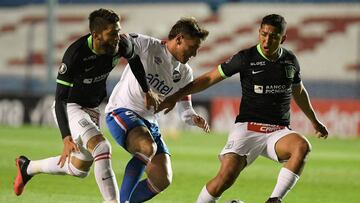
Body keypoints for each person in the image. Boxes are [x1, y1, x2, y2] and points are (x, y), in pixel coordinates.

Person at [156, 14, 329, 203]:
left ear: (283, 38)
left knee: (302, 146)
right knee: (226, 177)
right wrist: (175, 96)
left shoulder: (290, 61)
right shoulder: (245, 58)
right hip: (248, 128)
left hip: (277, 131)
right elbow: (208, 78)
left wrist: (314, 121)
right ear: (259, 33)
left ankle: (274, 200)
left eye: (273, 36)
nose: (267, 40)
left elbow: (299, 92)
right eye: (264, 34)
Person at [14, 8, 155, 203]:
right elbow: (60, 98)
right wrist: (66, 137)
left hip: (92, 108)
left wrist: (147, 91)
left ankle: (27, 167)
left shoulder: (121, 44)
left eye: (118, 30)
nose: (117, 37)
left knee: (78, 168)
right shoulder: (75, 54)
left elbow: (135, 60)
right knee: (102, 148)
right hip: (71, 106)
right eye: (112, 33)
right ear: (96, 35)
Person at [105, 17, 210, 203]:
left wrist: (192, 117)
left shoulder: (185, 72)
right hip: (122, 111)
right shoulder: (147, 45)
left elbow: (185, 110)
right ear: (179, 39)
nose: (194, 54)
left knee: (162, 178)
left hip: (148, 121)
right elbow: (122, 40)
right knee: (147, 147)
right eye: (192, 47)